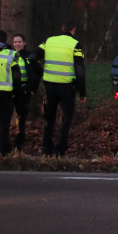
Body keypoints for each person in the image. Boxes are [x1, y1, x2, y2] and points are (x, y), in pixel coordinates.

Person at [30, 19, 86, 157]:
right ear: (73, 30)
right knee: (66, 119)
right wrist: (83, 93)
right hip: (67, 87)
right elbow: (79, 71)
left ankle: (46, 148)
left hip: (50, 86)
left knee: (49, 119)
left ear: (62, 28)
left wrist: (42, 71)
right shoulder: (76, 45)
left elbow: (31, 58)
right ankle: (60, 150)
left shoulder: (48, 41)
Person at [11, 33, 39, 152]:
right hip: (10, 90)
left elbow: (38, 73)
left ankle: (19, 143)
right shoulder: (9, 56)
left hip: (24, 90)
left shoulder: (29, 56)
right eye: (15, 42)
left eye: (19, 42)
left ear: (24, 43)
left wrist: (33, 89)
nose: (17, 44)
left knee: (21, 118)